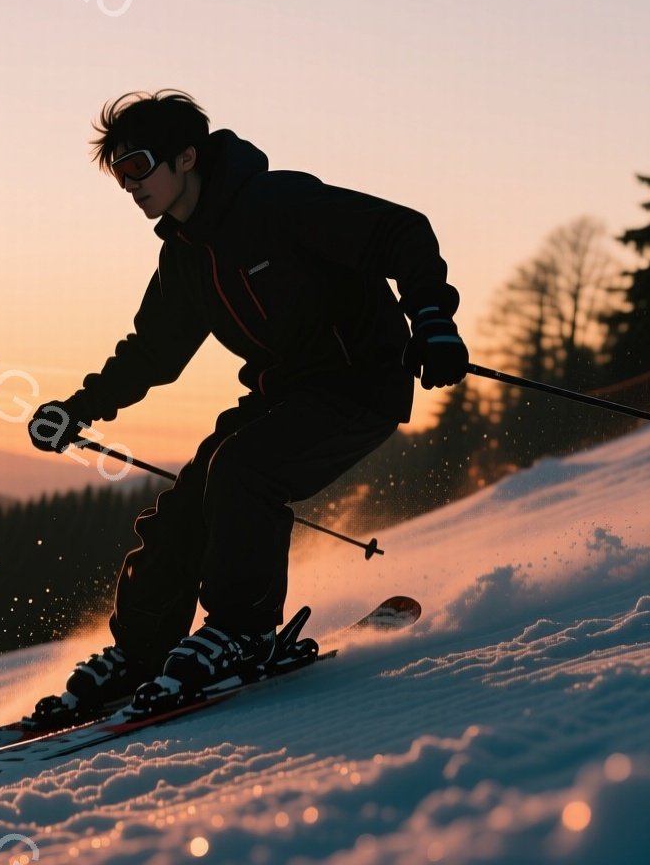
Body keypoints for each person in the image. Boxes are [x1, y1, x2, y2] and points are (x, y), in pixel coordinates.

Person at [26, 90, 468, 722]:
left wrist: (431, 318)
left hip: (360, 382)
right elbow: (153, 351)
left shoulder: (277, 204)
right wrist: (79, 407)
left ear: (186, 156)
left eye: (139, 165)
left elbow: (401, 231)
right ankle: (144, 653)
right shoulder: (184, 253)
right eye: (119, 173)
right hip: (282, 392)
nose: (129, 184)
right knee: (187, 505)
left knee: (243, 471)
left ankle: (243, 631)